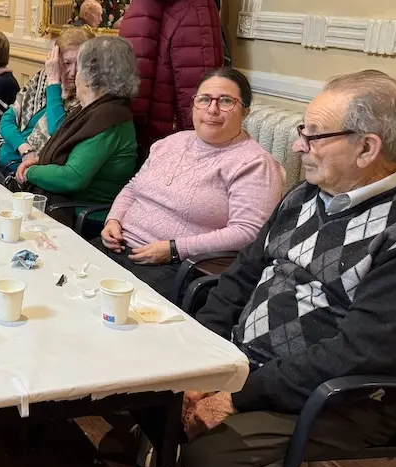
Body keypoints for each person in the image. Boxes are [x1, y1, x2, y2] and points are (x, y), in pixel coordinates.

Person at [181, 70, 396, 467]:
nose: (297, 144)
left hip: (347, 399)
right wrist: (203, 359)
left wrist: (237, 394)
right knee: (152, 392)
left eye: (314, 134)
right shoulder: (306, 194)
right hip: (253, 368)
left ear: (366, 148)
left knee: (217, 461)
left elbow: (359, 357)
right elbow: (241, 277)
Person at [97, 68, 284, 296]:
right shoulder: (172, 142)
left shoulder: (255, 163)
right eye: (204, 99)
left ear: (245, 112)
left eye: (226, 101)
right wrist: (112, 220)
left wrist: (175, 249)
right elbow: (133, 187)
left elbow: (248, 232)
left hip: (172, 266)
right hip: (116, 245)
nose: (212, 109)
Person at [15, 36, 139, 236]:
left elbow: (72, 178)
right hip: (69, 204)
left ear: (90, 76)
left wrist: (31, 172)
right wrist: (38, 159)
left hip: (83, 215)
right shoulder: (99, 109)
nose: (74, 75)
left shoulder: (109, 117)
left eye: (79, 68)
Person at [119, 0, 224, 158]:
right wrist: (197, 132)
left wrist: (133, 118)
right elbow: (197, 71)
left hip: (141, 118)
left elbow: (135, 58)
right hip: (173, 123)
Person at [0, 27, 94, 173]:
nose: (73, 72)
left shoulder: (86, 96)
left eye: (79, 64)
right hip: (0, 149)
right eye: (66, 63)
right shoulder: (41, 79)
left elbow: (58, 132)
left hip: (27, 168)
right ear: (55, 60)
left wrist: (54, 83)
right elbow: (7, 119)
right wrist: (24, 148)